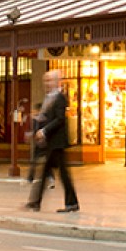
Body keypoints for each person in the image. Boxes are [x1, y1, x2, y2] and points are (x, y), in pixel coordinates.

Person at [25, 69, 78, 213]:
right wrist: (36, 129)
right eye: (45, 80)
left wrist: (44, 131)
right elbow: (46, 118)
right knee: (50, 173)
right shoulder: (49, 98)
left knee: (60, 174)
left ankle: (69, 203)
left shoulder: (60, 98)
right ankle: (37, 202)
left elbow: (60, 119)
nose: (46, 83)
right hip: (51, 143)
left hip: (57, 143)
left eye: (49, 80)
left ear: (57, 81)